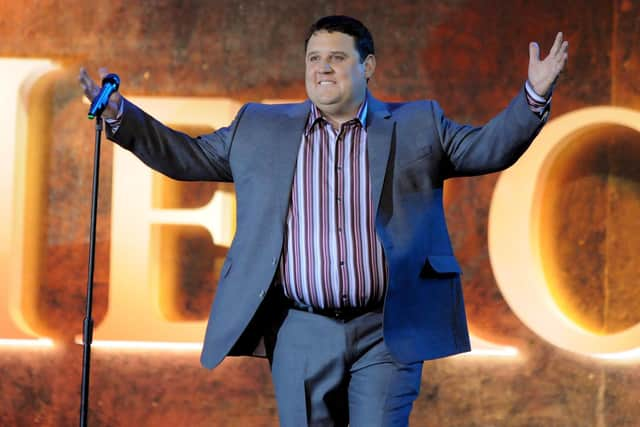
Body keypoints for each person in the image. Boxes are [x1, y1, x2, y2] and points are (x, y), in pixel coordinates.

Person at [79, 15, 568, 427]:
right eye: (314, 59)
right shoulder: (260, 128)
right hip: (301, 330)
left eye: (336, 57)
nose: (323, 68)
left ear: (367, 66)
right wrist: (122, 116)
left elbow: (487, 148)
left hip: (387, 330)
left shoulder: (419, 124)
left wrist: (533, 96)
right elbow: (185, 157)